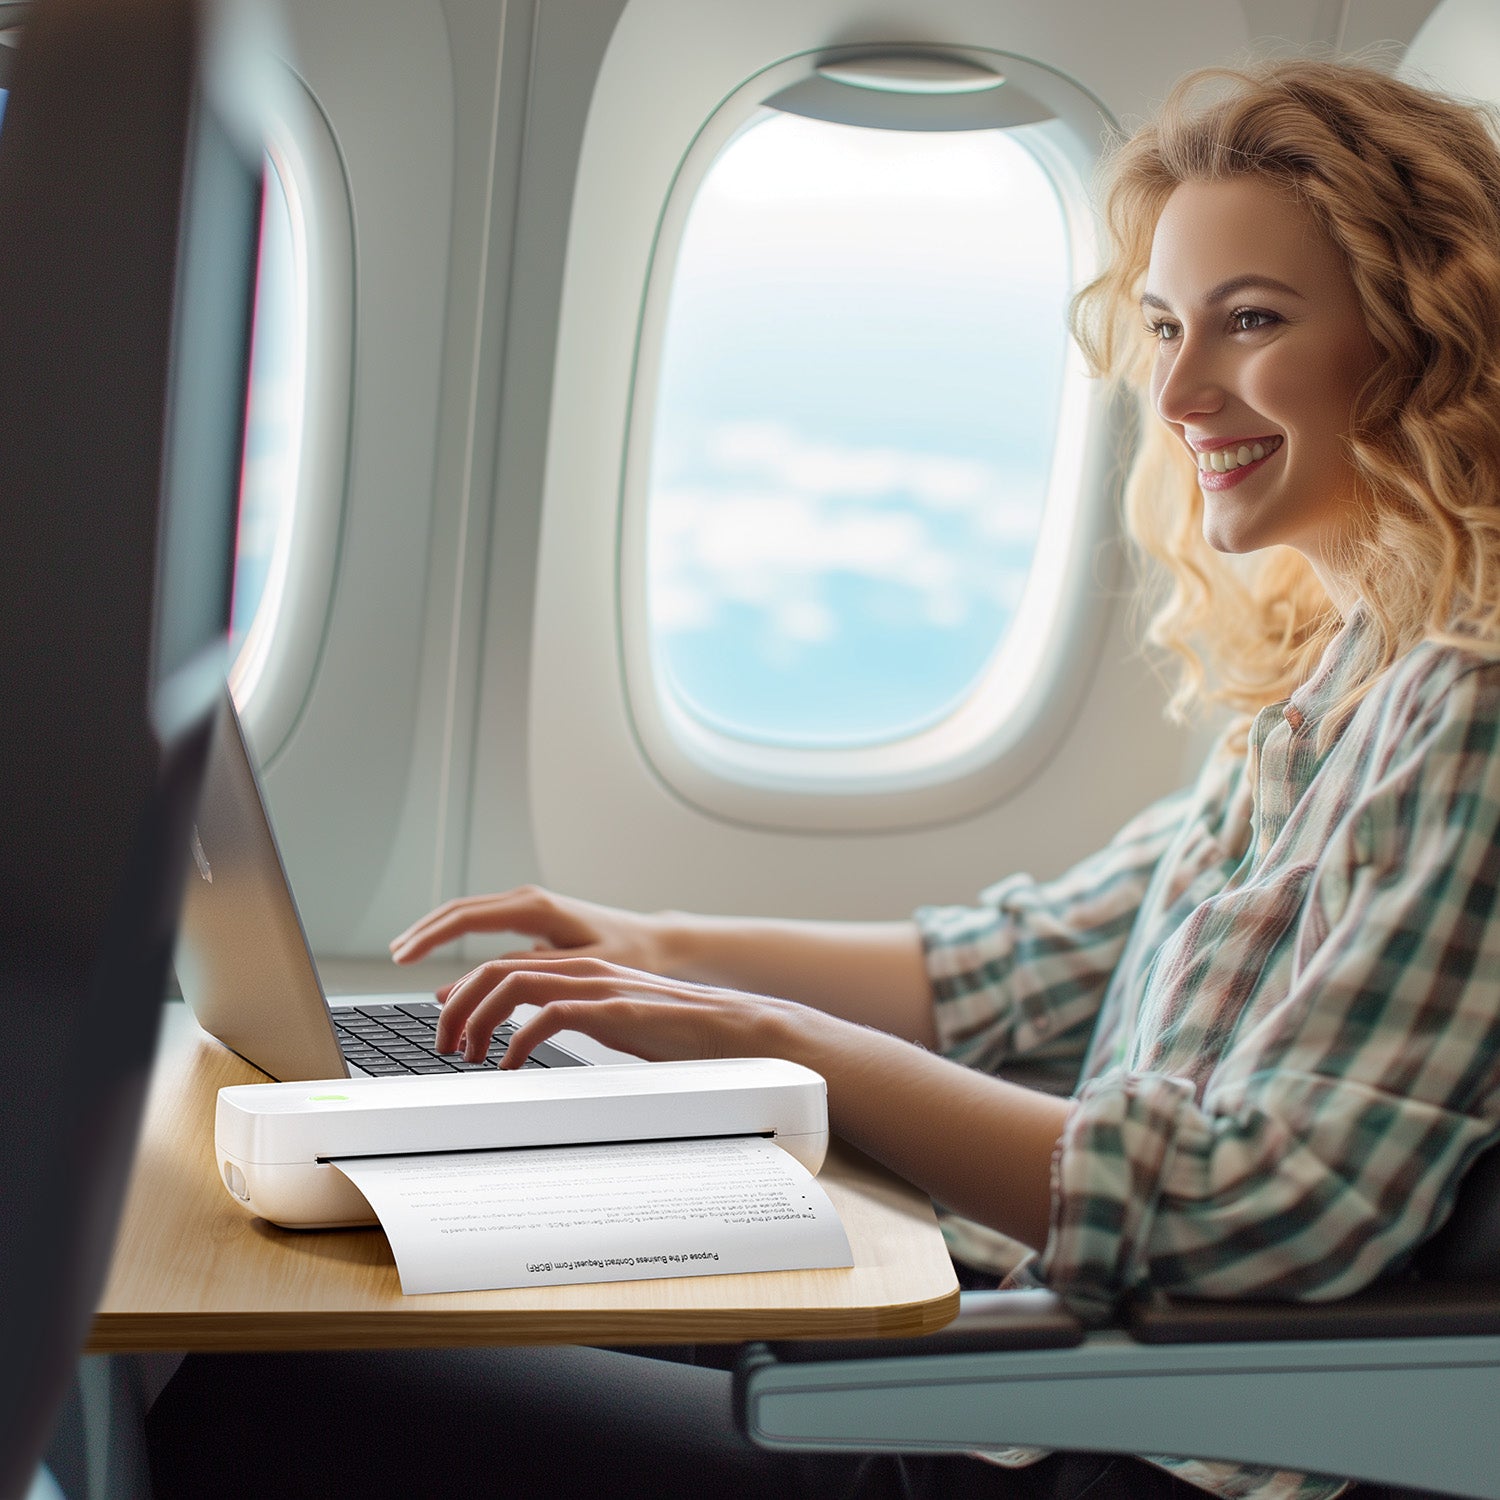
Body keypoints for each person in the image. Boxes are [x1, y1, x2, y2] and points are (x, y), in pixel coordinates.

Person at [147, 57, 1500, 1500]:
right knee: (336, 1285)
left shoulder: (1465, 712)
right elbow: (1024, 963)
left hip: (1123, 1448)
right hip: (1031, 1349)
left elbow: (1255, 1208)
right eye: (1165, 325)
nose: (1173, 390)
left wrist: (764, 1043)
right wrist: (643, 956)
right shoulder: (1339, 675)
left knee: (273, 1382)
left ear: (1429, 339)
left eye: (1251, 321)